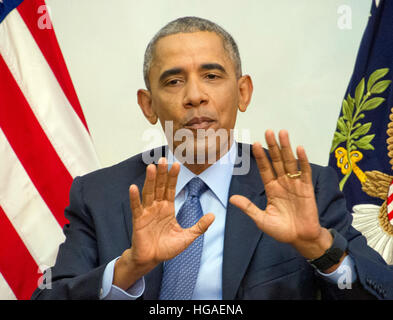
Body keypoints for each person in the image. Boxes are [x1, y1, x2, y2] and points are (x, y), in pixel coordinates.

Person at [32, 16, 393, 300]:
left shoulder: (305, 186)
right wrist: (126, 270)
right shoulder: (98, 195)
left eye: (211, 75)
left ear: (242, 92)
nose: (195, 96)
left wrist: (319, 247)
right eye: (173, 81)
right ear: (148, 105)